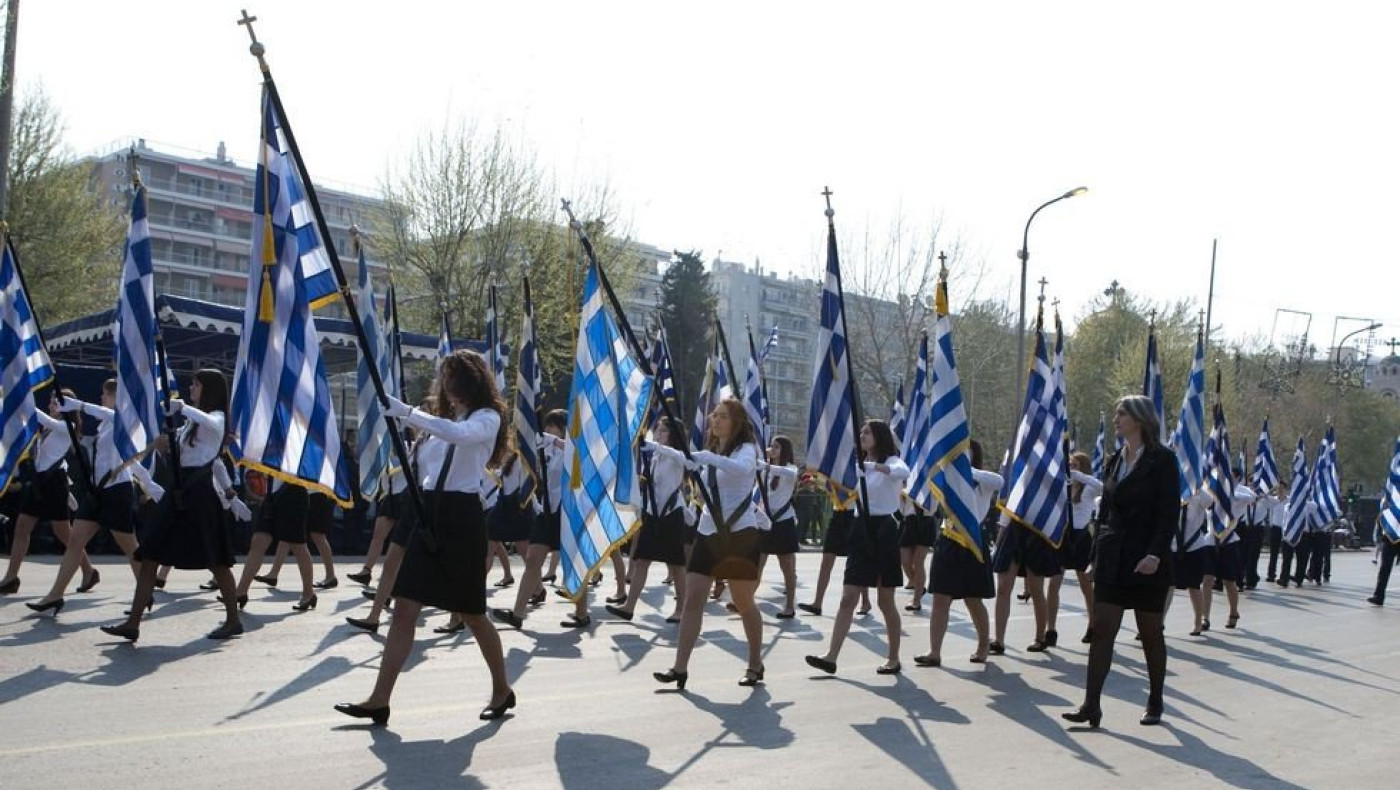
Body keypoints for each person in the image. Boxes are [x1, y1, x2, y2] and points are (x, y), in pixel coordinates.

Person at [335, 349, 514, 724]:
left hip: (462, 519)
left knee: (473, 614)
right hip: (430, 511)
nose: (447, 388)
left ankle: (502, 689)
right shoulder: (442, 424)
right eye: (444, 379)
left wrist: (409, 413)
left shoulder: (486, 418)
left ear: (471, 382)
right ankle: (379, 699)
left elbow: (461, 436)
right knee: (404, 609)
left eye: (454, 379)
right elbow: (428, 466)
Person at [98, 370, 250, 641]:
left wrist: (182, 407)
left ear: (209, 389)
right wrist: (164, 440)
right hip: (178, 493)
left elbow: (213, 431)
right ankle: (133, 623)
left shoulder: (217, 418)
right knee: (149, 556)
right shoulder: (192, 425)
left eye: (196, 383)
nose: (191, 386)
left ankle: (232, 620)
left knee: (216, 561)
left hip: (199, 495)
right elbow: (178, 440)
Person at [1063, 395, 1180, 729]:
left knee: (1150, 633)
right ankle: (1091, 705)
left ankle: (1155, 700)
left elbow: (1168, 512)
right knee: (1102, 632)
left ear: (1139, 419)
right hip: (1113, 559)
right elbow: (1106, 514)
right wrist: (1095, 556)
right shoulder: (1115, 459)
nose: (1115, 419)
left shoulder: (1163, 460)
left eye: (1121, 414)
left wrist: (1155, 554)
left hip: (1147, 561)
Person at [653, 398, 765, 689]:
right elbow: (688, 460)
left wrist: (704, 456)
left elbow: (740, 470)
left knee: (744, 603)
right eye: (714, 415)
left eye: (722, 416)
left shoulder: (747, 451)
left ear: (736, 422)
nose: (715, 420)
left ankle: (755, 663)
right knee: (692, 601)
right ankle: (680, 668)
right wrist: (656, 448)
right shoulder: (712, 452)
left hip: (740, 535)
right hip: (708, 533)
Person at [28, 380, 141, 616]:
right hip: (97, 491)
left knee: (130, 547)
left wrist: (77, 404)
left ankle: (144, 592)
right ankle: (55, 595)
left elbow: (108, 416)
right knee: (75, 541)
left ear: (116, 397)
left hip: (117, 490)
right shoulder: (104, 426)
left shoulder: (122, 419)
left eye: (105, 394)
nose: (101, 397)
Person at [804, 420, 908, 676]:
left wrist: (872, 466)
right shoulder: (856, 466)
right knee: (848, 597)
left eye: (867, 432)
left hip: (884, 529)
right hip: (861, 528)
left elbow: (902, 473)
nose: (862, 435)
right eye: (861, 432)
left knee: (885, 601)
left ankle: (893, 657)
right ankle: (831, 656)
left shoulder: (891, 461)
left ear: (880, 436)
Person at [1, 390, 96, 595]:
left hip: (54, 484)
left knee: (65, 534)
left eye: (55, 403)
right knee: (21, 528)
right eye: (51, 402)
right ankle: (11, 578)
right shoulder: (47, 428)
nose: (51, 406)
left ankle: (88, 571)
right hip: (39, 483)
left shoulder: (67, 427)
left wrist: (22, 399)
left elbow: (40, 417)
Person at [914, 439, 999, 667]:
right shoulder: (948, 480)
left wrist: (966, 471)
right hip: (948, 539)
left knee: (973, 600)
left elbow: (999, 480)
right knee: (940, 599)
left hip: (972, 543)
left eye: (962, 452)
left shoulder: (982, 481)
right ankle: (934, 652)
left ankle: (983, 646)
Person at [607, 416, 689, 623]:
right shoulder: (655, 457)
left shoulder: (676, 455)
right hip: (653, 513)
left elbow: (681, 458)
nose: (658, 434)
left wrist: (652, 445)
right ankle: (629, 606)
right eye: (657, 430)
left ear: (673, 434)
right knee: (642, 561)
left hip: (671, 514)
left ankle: (681, 609)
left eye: (662, 431)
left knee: (677, 564)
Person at [990, 465, 1064, 653]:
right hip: (1013, 530)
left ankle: (1040, 637)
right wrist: (998, 542)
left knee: (1035, 588)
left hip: (1036, 531)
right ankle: (998, 640)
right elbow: (1006, 508)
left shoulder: (1048, 472)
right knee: (1003, 587)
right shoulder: (1017, 469)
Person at [1047, 451, 1101, 645]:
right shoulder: (1063, 486)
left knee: (1086, 585)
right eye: (1069, 465)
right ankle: (1050, 629)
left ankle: (1093, 626)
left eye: (1075, 465)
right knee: (1054, 584)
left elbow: (1103, 488)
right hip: (1063, 536)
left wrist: (1080, 476)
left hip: (1081, 537)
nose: (1071, 468)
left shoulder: (1088, 487)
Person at [1200, 476, 1256, 631]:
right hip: (1210, 542)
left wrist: (1229, 493)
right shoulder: (1210, 494)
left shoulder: (1236, 497)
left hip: (1228, 542)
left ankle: (1233, 612)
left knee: (1229, 582)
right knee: (1207, 580)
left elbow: (1252, 497)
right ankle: (1205, 617)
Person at [756, 435, 801, 619]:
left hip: (783, 521)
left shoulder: (789, 468)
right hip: (766, 520)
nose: (772, 449)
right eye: (771, 446)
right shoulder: (766, 470)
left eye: (776, 447)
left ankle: (789, 606)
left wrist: (766, 466)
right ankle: (744, 600)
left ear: (785, 450)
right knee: (757, 564)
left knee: (787, 567)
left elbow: (791, 474)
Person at [1368, 517, 1398, 605]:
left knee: (1384, 569)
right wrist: (1378, 536)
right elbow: (1381, 519)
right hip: (1388, 538)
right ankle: (1378, 597)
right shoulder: (1387, 504)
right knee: (1384, 569)